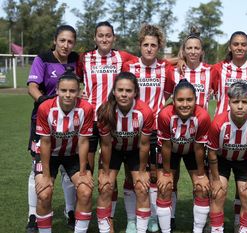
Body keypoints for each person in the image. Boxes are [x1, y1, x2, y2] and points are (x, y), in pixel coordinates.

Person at [76, 21, 137, 233]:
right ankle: (79, 217)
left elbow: (151, 59)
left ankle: (107, 220)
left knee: (109, 171)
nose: (104, 39)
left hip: (113, 121)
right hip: (90, 121)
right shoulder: (84, 58)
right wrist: (79, 92)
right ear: (94, 38)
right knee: (87, 172)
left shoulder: (122, 57)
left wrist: (179, 59)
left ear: (114, 38)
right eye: (100, 35)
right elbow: (73, 79)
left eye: (108, 35)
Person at [211, 31, 247, 228]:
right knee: (218, 190)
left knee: (245, 191)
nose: (239, 47)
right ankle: (216, 225)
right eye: (236, 44)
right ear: (230, 47)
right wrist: (180, 60)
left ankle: (239, 224)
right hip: (223, 135)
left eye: (243, 44)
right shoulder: (218, 69)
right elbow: (198, 74)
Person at [26, 25, 79, 232]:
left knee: (68, 167)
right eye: (62, 40)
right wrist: (46, 103)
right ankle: (32, 214)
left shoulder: (77, 60)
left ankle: (70, 210)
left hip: (71, 122)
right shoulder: (43, 58)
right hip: (43, 121)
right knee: (37, 167)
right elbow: (32, 86)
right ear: (55, 40)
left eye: (70, 41)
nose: (66, 45)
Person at [123, 24, 173, 232]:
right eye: (146, 44)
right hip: (133, 127)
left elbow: (168, 93)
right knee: (130, 174)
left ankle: (151, 216)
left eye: (153, 45)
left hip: (155, 130)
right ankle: (131, 220)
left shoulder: (165, 69)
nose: (149, 48)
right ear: (140, 45)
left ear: (159, 46)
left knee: (152, 174)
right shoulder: (130, 67)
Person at [34, 67, 94, 233]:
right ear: (57, 90)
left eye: (72, 91)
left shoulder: (86, 109)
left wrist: (83, 172)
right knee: (44, 193)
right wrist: (46, 176)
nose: (68, 95)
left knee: (85, 191)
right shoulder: (46, 108)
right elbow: (44, 142)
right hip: (48, 154)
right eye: (64, 90)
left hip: (72, 154)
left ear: (79, 92)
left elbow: (83, 142)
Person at [207, 82, 247, 233]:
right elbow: (211, 153)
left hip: (245, 161)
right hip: (222, 160)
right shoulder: (218, 123)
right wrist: (215, 180)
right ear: (229, 102)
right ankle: (216, 229)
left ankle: (244, 230)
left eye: (245, 102)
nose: (240, 106)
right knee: (218, 193)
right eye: (236, 102)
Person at [96, 72, 154, 233]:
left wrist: (142, 172)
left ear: (135, 92)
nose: (123, 94)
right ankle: (105, 230)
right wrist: (105, 172)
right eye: (120, 90)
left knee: (142, 187)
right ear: (113, 91)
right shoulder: (105, 111)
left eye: (128, 90)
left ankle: (140, 230)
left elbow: (144, 144)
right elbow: (106, 145)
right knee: (106, 186)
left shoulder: (145, 112)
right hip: (113, 150)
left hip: (135, 150)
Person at [156, 79, 211, 233]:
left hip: (193, 151)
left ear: (196, 100)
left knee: (202, 187)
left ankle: (198, 230)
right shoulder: (165, 114)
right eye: (180, 100)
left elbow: (200, 148)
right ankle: (167, 228)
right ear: (173, 100)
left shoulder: (203, 116)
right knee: (165, 186)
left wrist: (201, 175)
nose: (185, 104)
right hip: (170, 151)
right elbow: (165, 146)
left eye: (189, 100)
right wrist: (166, 174)